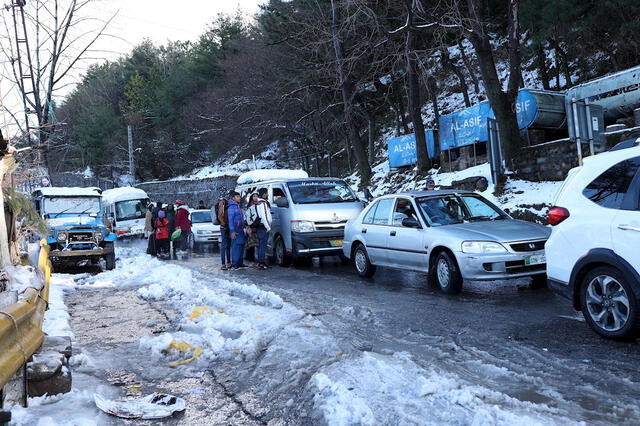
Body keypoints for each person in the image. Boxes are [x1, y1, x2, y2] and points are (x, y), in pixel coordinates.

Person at [247, 188, 272, 270]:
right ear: (264, 194)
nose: (267, 195)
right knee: (262, 246)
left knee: (259, 245)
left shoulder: (257, 203)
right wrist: (268, 227)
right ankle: (262, 263)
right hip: (263, 227)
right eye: (267, 193)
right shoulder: (263, 203)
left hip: (258, 227)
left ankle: (259, 262)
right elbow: (264, 216)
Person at [227, 191, 247, 269]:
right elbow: (230, 219)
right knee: (236, 246)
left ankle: (240, 262)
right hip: (236, 230)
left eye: (239, 196)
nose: (239, 198)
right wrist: (232, 230)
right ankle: (235, 263)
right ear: (233, 198)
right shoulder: (232, 207)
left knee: (241, 245)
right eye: (237, 196)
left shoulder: (237, 206)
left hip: (240, 229)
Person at [215, 193, 232, 270]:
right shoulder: (223, 202)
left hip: (226, 225)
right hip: (224, 226)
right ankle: (224, 263)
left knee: (227, 245)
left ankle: (228, 262)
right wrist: (223, 223)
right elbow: (220, 214)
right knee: (224, 245)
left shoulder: (226, 202)